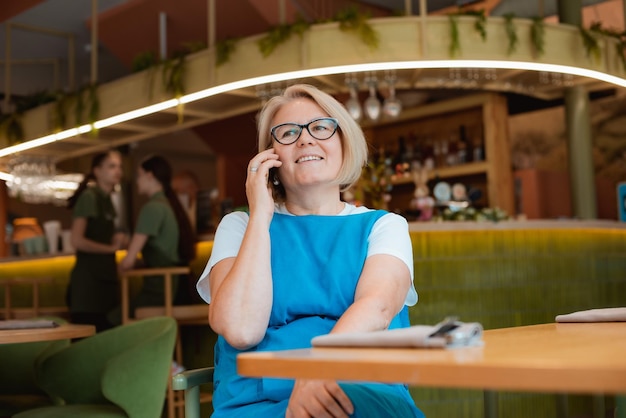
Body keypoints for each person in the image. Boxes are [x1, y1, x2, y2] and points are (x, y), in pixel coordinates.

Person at [197, 84, 424, 418]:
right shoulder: (240, 226)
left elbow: (377, 308)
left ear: (344, 143)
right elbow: (241, 330)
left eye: (320, 127)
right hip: (256, 403)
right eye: (288, 132)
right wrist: (261, 215)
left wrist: (318, 372)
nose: (305, 139)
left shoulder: (385, 226)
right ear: (270, 157)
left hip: (355, 389)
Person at [108, 155, 196, 325]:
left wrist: (117, 266)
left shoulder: (152, 208)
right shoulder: (168, 205)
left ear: (150, 176)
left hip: (161, 291)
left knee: (111, 320)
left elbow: (128, 262)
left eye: (139, 175)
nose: (137, 181)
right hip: (177, 289)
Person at [67, 150, 127, 332]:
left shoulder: (108, 199)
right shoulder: (90, 197)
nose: (117, 170)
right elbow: (76, 240)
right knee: (88, 342)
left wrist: (118, 239)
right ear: (97, 171)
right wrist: (110, 248)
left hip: (106, 280)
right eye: (111, 166)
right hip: (88, 285)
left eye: (119, 166)